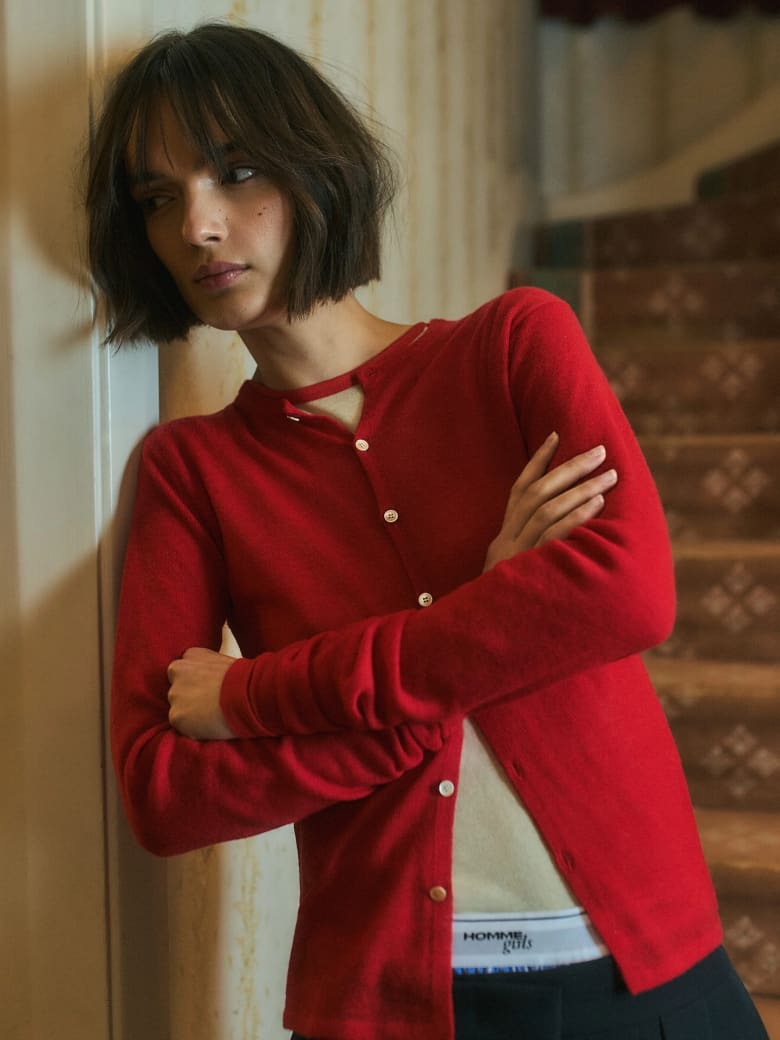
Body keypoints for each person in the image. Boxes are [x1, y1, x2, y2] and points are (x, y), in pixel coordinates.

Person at [86, 22, 768, 1040]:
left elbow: (631, 593)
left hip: (643, 976)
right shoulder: (194, 471)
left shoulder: (512, 346)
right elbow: (164, 791)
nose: (199, 225)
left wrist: (259, 693)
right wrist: (457, 656)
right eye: (157, 198)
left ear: (317, 167)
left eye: (236, 172)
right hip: (381, 1004)